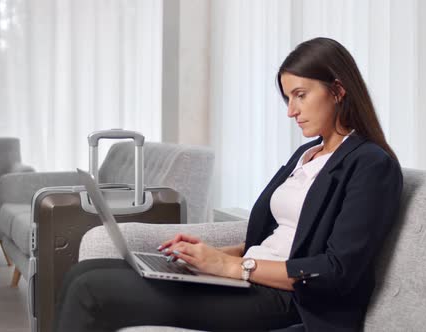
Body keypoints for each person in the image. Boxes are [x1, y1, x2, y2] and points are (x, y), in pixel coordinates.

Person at [54, 37, 403, 332]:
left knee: (91, 290)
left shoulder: (371, 164)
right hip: (250, 278)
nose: (291, 111)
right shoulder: (307, 154)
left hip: (292, 301)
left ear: (338, 90)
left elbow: (336, 272)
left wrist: (231, 267)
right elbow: (279, 237)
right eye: (288, 98)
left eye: (300, 95)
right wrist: (213, 254)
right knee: (83, 271)